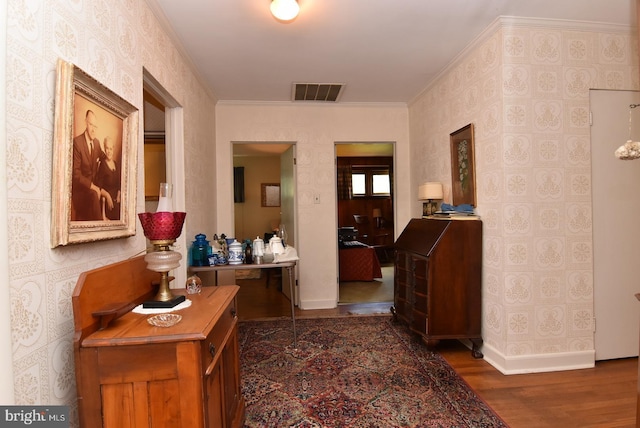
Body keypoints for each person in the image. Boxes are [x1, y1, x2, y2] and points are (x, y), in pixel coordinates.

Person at [71, 109, 104, 221]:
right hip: (80, 192)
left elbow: (104, 158)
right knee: (94, 195)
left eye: (96, 126)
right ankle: (100, 230)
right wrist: (94, 187)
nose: (93, 129)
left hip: (93, 191)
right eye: (91, 125)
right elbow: (76, 174)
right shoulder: (77, 143)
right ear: (85, 122)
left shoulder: (97, 143)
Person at [94, 136, 121, 220]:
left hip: (117, 201)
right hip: (107, 204)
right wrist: (107, 196)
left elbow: (119, 183)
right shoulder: (102, 165)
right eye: (107, 148)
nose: (109, 151)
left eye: (110, 149)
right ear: (104, 149)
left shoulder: (116, 164)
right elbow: (99, 187)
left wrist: (119, 195)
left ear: (113, 149)